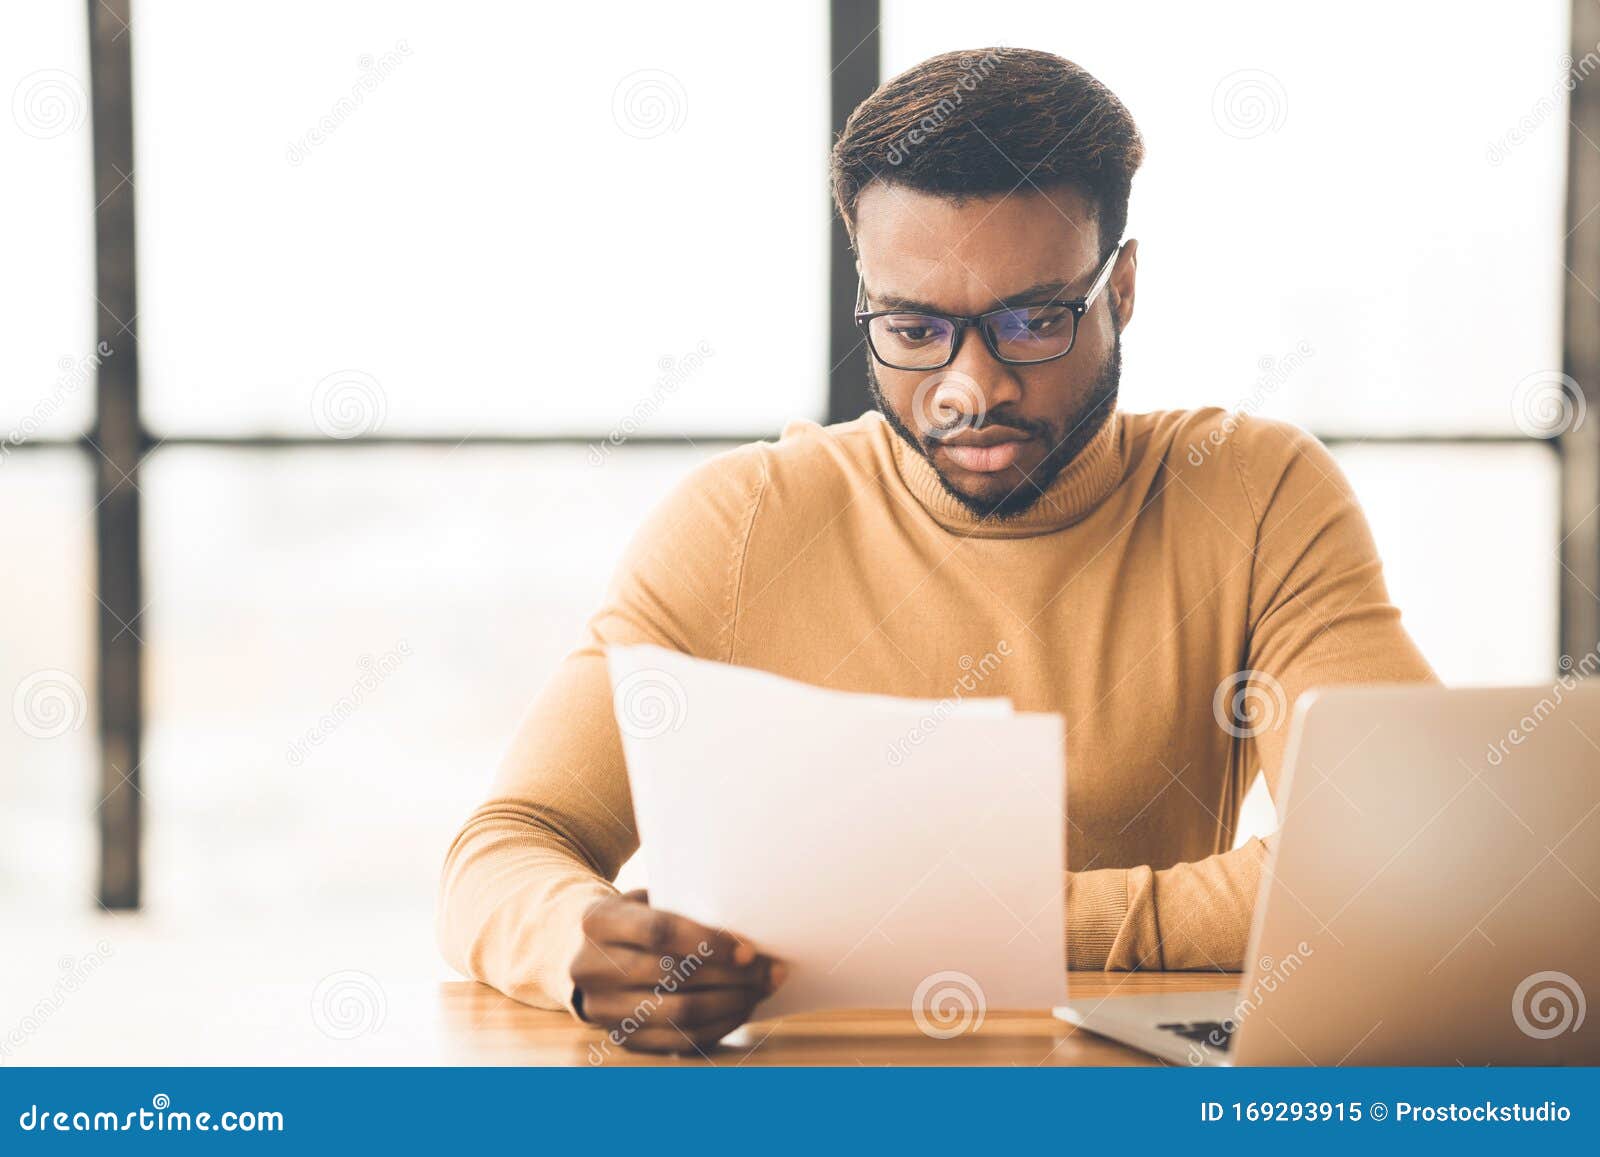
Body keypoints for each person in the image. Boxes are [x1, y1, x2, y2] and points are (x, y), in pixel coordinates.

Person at [437, 46, 1434, 1054]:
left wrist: (973, 923)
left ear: (1121, 289)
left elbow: (1399, 856)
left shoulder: (1252, 493)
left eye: (1033, 320)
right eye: (913, 328)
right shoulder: (742, 522)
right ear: (865, 297)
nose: (972, 387)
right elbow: (506, 845)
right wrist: (581, 941)